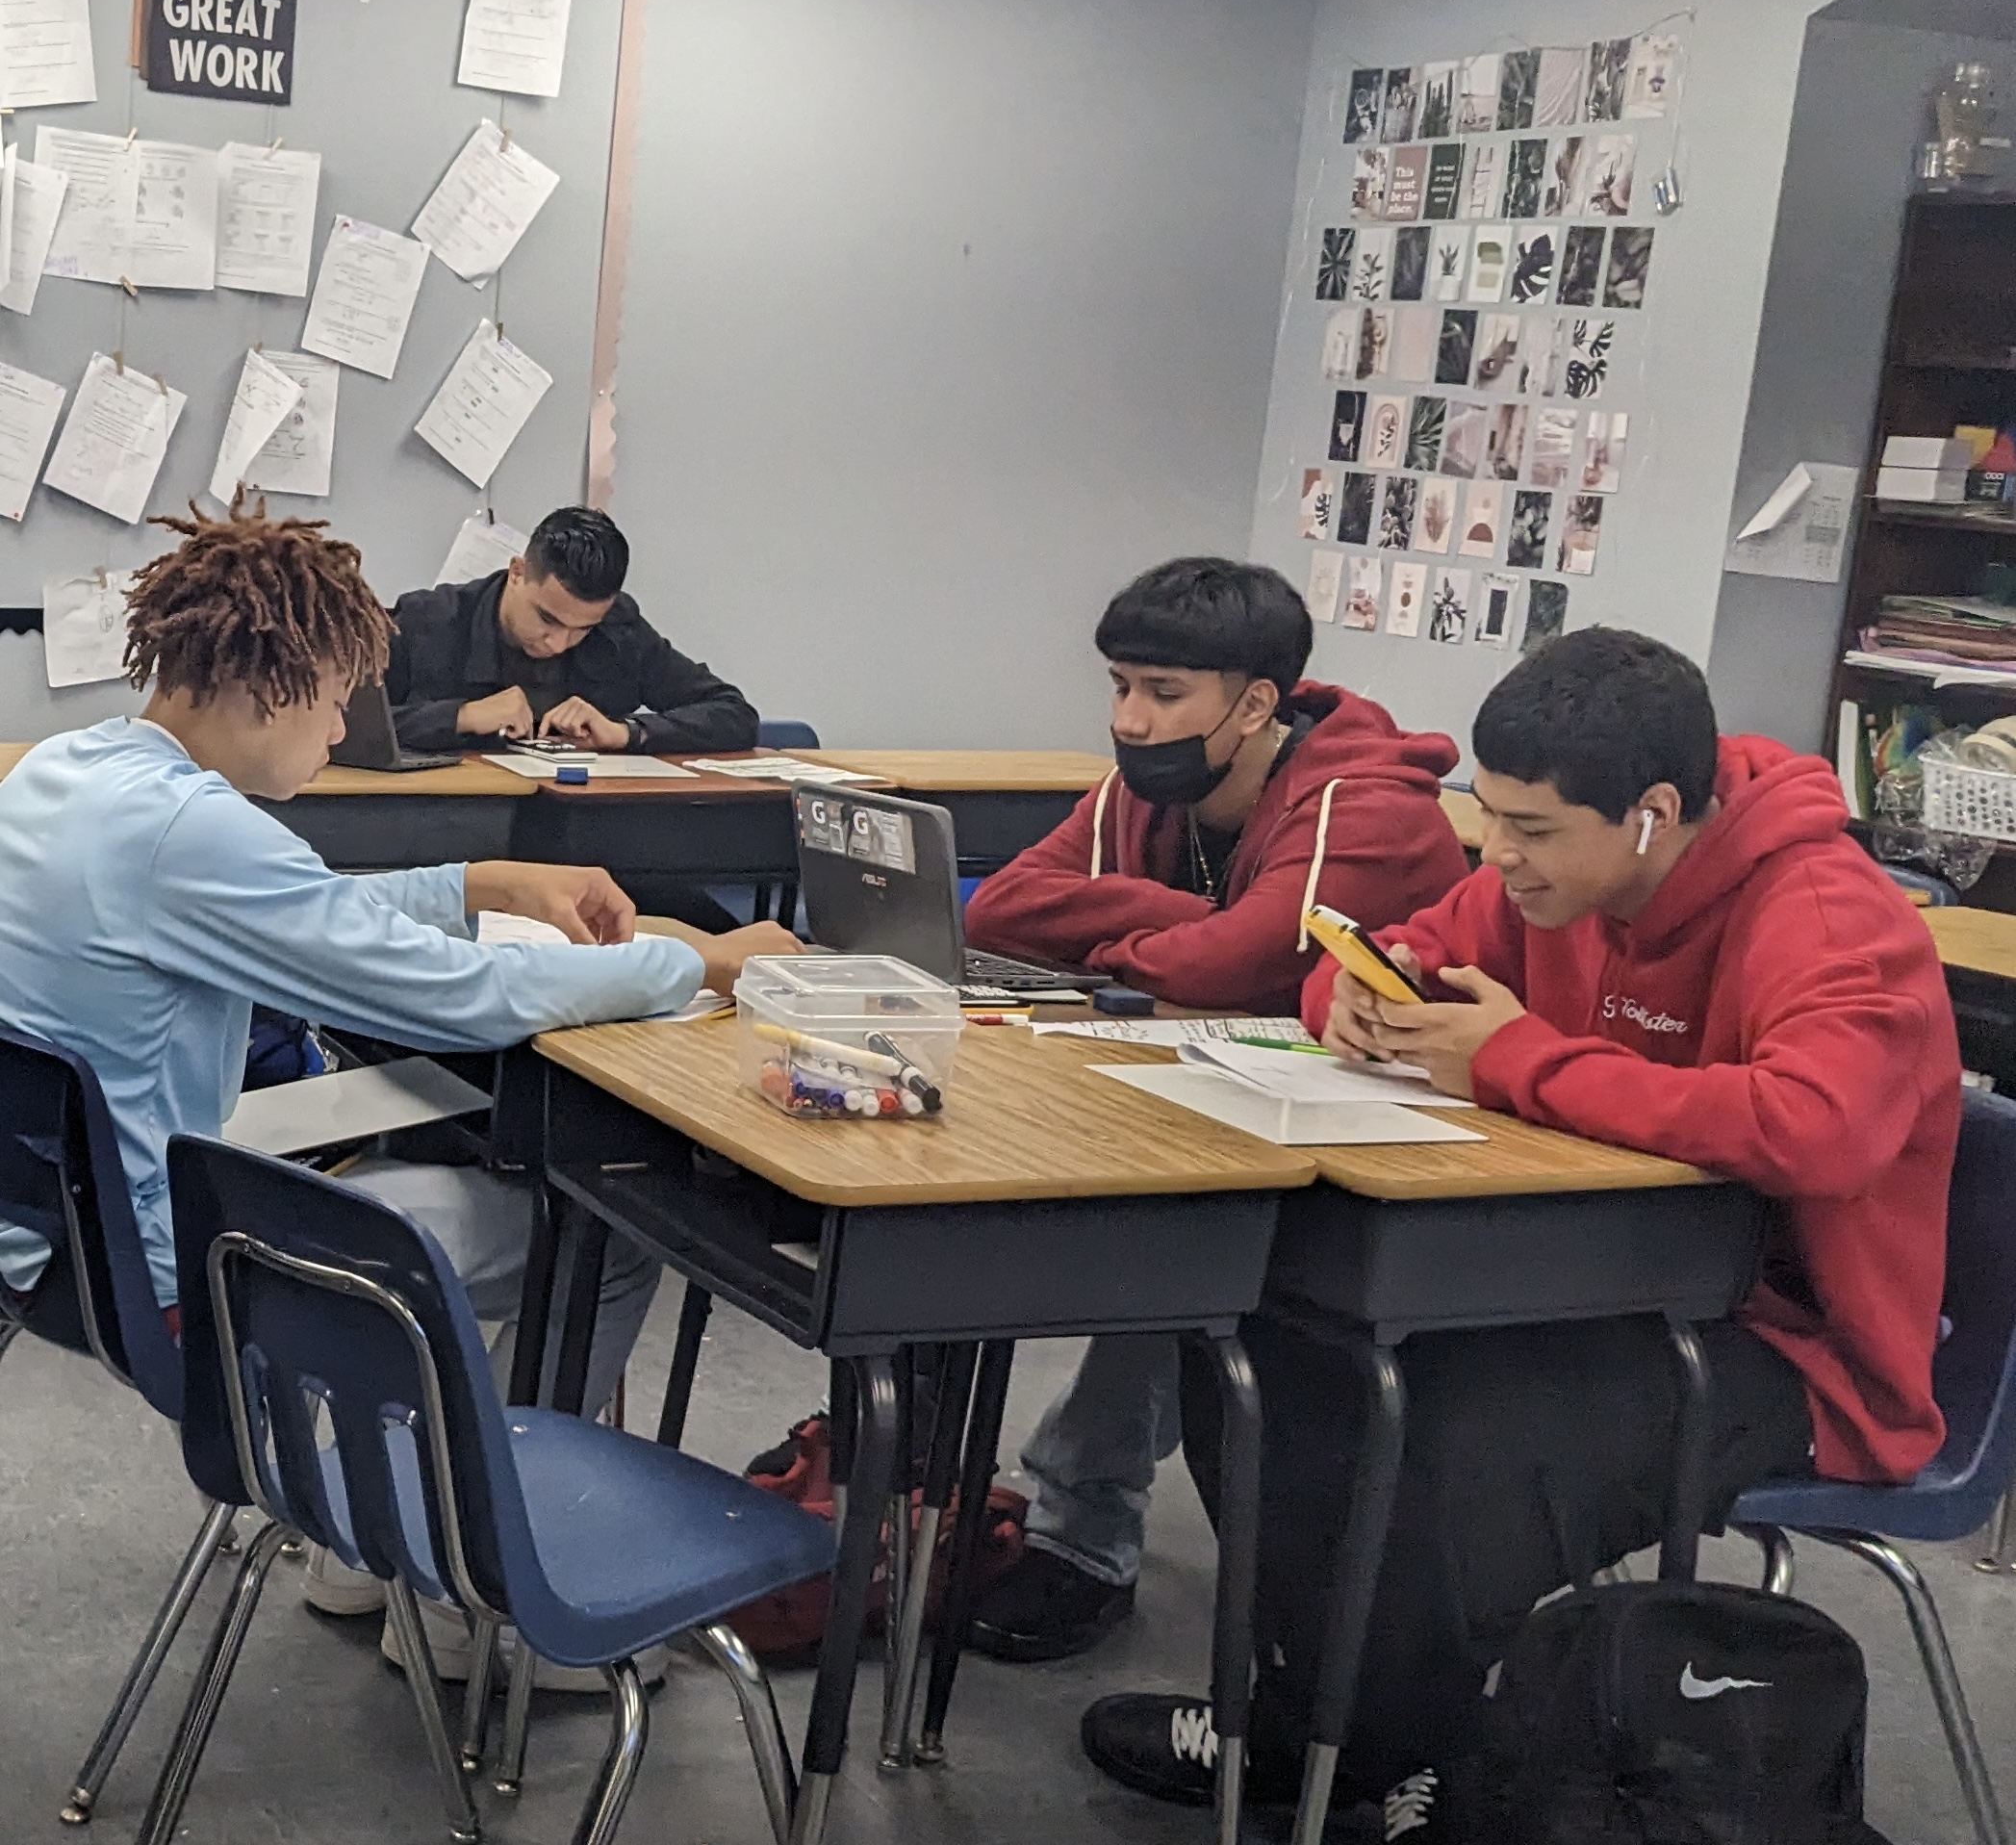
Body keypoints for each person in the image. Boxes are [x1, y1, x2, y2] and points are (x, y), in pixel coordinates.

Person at [1079, 628, 1960, 1845]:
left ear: (1650, 816)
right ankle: (1311, 1726)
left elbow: (1815, 1127)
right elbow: (1372, 955)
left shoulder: (1822, 911)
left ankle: (1432, 1772)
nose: (1497, 855)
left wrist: (1512, 1060)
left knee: (1453, 1437)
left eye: (1533, 830)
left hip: (1790, 1342)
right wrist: (1360, 1006)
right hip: (1576, 1279)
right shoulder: (1536, 879)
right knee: (1264, 1356)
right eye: (1486, 818)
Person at [0, 506, 798, 1680]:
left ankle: (366, 1553)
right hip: (170, 1277)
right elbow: (457, 1002)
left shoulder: (74, 771)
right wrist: (704, 962)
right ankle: (489, 1602)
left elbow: (303, 908)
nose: (340, 730)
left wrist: (483, 879)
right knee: (602, 1230)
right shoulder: (186, 829)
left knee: (392, 1179)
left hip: (53, 1246)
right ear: (269, 684)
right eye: (333, 699)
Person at [955, 555, 1470, 1660]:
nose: (1130, 719)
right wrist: (1171, 922)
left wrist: (1137, 936)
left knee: (1181, 1240)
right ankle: (1031, 1511)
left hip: (1397, 1156)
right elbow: (999, 908)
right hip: (1224, 1098)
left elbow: (1234, 962)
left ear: (1253, 704)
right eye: (1118, 685)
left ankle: (1083, 1538)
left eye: (1161, 692)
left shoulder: (1366, 806)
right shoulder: (1152, 789)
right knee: (1126, 1212)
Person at [385, 504, 761, 930]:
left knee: (718, 931)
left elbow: (732, 712)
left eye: (582, 628)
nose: (559, 642)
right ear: (517, 572)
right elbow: (347, 726)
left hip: (591, 855)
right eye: (547, 618)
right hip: (455, 852)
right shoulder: (427, 621)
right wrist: (462, 716)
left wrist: (627, 733)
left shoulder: (619, 630)